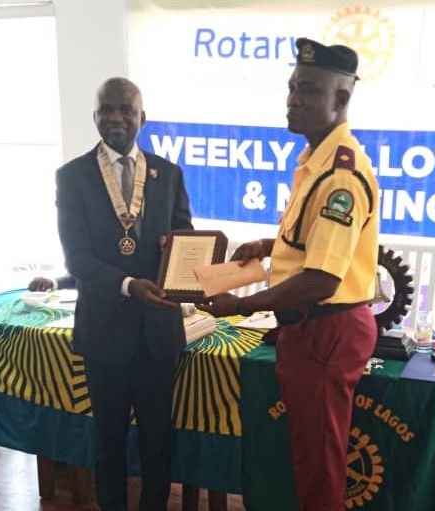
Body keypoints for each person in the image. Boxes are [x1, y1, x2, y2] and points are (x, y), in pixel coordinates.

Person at [199, 38, 379, 510]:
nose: (293, 99)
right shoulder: (313, 162)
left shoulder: (340, 175)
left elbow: (322, 279)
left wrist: (241, 306)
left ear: (340, 100)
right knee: (307, 455)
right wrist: (270, 246)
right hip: (309, 329)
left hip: (326, 329)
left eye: (309, 90)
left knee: (320, 464)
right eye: (292, 87)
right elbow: (311, 245)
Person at [55, 77, 193, 511]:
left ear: (142, 118)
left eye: (126, 109)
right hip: (104, 330)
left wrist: (180, 249)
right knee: (109, 437)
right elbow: (76, 258)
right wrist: (129, 285)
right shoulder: (72, 176)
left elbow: (185, 234)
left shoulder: (168, 173)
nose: (116, 117)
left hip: (158, 331)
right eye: (107, 109)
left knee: (158, 436)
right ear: (95, 116)